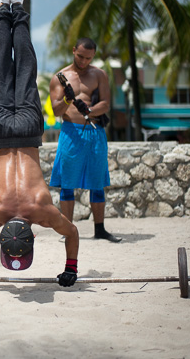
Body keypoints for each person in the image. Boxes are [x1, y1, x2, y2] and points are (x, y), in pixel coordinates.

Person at [0, 0, 79, 288]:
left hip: (28, 131)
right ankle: (4, 8)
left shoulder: (42, 212)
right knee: (1, 66)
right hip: (2, 133)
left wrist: (72, 268)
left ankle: (17, 7)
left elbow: (72, 234)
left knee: (27, 67)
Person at [48, 37, 121, 243]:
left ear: (93, 56)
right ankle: (67, 229)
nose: (83, 61)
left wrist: (89, 109)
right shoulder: (60, 77)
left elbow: (106, 103)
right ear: (73, 51)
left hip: (94, 130)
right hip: (71, 131)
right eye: (80, 56)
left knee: (97, 182)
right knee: (67, 183)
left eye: (88, 58)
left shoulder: (99, 74)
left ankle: (100, 230)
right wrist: (67, 100)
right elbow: (55, 110)